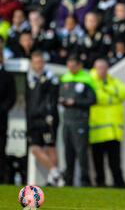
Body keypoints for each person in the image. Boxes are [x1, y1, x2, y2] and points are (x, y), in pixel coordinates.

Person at [26, 51, 64, 187]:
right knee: (34, 147)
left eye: (40, 62)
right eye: (35, 62)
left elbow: (52, 101)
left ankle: (52, 179)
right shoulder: (30, 78)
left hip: (48, 119)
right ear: (32, 63)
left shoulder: (51, 78)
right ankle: (55, 173)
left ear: (44, 63)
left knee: (50, 147)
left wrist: (50, 116)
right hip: (34, 119)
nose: (38, 65)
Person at [89, 58, 125, 187]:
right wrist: (113, 98)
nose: (102, 71)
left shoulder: (111, 80)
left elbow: (124, 92)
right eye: (99, 68)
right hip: (97, 128)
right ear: (95, 68)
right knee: (98, 160)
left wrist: (106, 88)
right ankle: (100, 182)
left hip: (113, 130)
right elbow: (98, 97)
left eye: (104, 68)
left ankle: (119, 183)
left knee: (115, 160)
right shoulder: (90, 81)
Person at [59, 54, 96, 187]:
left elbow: (92, 100)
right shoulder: (65, 78)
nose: (71, 69)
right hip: (67, 120)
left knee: (81, 152)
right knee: (68, 152)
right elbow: (61, 95)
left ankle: (85, 181)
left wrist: (76, 102)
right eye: (69, 66)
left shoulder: (87, 79)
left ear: (80, 66)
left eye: (74, 66)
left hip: (80, 120)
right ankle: (68, 181)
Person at [0, 47, 16, 184]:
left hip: (1, 119)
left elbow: (11, 98)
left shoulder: (7, 76)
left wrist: (2, 109)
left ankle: (1, 178)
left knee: (1, 149)